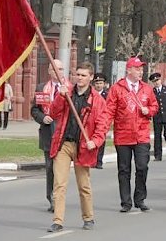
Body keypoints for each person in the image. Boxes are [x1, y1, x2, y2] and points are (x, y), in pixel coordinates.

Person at [92, 56, 158, 213]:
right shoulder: (117, 88)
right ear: (129, 70)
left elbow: (154, 105)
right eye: (137, 69)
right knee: (124, 169)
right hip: (123, 135)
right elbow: (108, 112)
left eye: (142, 69)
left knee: (142, 166)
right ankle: (126, 201)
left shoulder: (146, 88)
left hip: (141, 134)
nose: (140, 72)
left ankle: (140, 199)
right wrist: (101, 131)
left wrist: (149, 110)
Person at [46, 62, 107, 233]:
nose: (79, 78)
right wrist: (60, 96)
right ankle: (57, 221)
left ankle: (88, 217)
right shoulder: (67, 93)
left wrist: (95, 141)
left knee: (84, 185)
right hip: (64, 144)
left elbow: (102, 125)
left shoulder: (97, 100)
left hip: (83, 146)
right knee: (59, 184)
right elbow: (53, 113)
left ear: (91, 77)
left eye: (83, 75)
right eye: (77, 74)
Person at [31, 59, 72, 213]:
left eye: (60, 69)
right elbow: (34, 110)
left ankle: (59, 198)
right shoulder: (42, 88)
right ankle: (52, 199)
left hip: (65, 135)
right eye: (54, 69)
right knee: (50, 168)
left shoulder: (70, 88)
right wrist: (42, 118)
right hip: (48, 133)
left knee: (61, 169)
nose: (57, 72)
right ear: (49, 71)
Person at [149, 72, 166, 161]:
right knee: (157, 136)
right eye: (154, 81)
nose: (156, 82)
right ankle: (158, 155)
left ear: (160, 80)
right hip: (157, 116)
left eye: (157, 80)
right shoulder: (152, 92)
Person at [93, 73, 108, 169]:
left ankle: (99, 161)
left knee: (101, 141)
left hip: (103, 121)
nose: (98, 85)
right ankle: (92, 160)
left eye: (100, 83)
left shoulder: (107, 95)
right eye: (97, 83)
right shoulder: (91, 94)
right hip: (91, 120)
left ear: (104, 84)